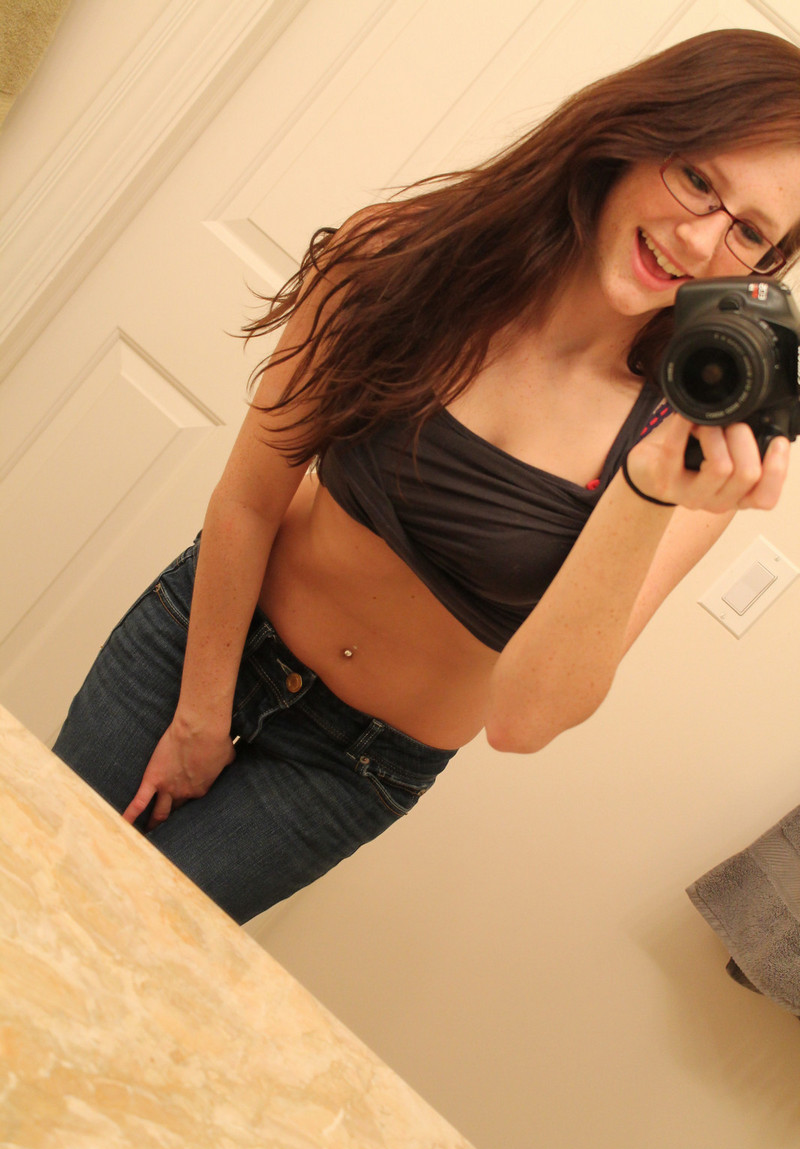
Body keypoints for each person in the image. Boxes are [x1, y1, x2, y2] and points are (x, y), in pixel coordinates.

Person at [53, 29, 800, 925]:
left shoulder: (689, 449)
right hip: (195, 644)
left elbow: (524, 721)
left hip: (348, 770)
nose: (702, 239)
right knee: (27, 884)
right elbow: (249, 499)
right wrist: (198, 714)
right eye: (699, 180)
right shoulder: (399, 257)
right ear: (633, 136)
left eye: (750, 232)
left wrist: (645, 492)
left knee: (120, 962)